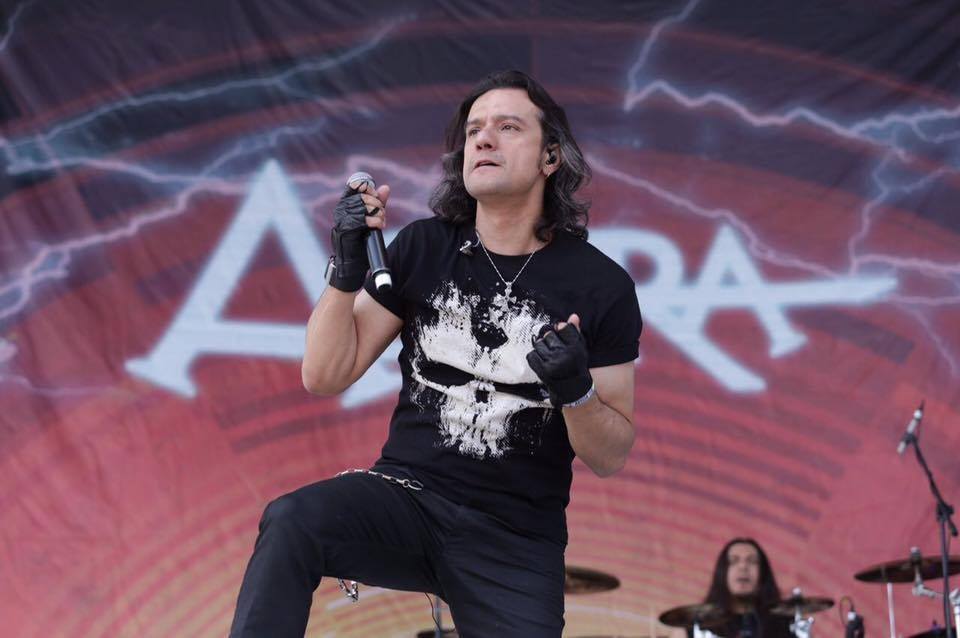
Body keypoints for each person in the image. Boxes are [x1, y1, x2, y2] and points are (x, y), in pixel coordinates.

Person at [228, 69, 642, 638]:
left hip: (515, 536)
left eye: (507, 127)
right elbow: (324, 375)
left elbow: (611, 455)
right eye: (474, 130)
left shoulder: (602, 285)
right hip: (409, 499)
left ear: (550, 157)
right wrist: (345, 270)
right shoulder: (425, 246)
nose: (484, 139)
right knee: (293, 520)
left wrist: (576, 390)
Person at [691, 538, 794, 638]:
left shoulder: (786, 625)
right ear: (722, 573)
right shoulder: (696, 626)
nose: (743, 566)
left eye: (752, 561)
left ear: (763, 573)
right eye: (733, 561)